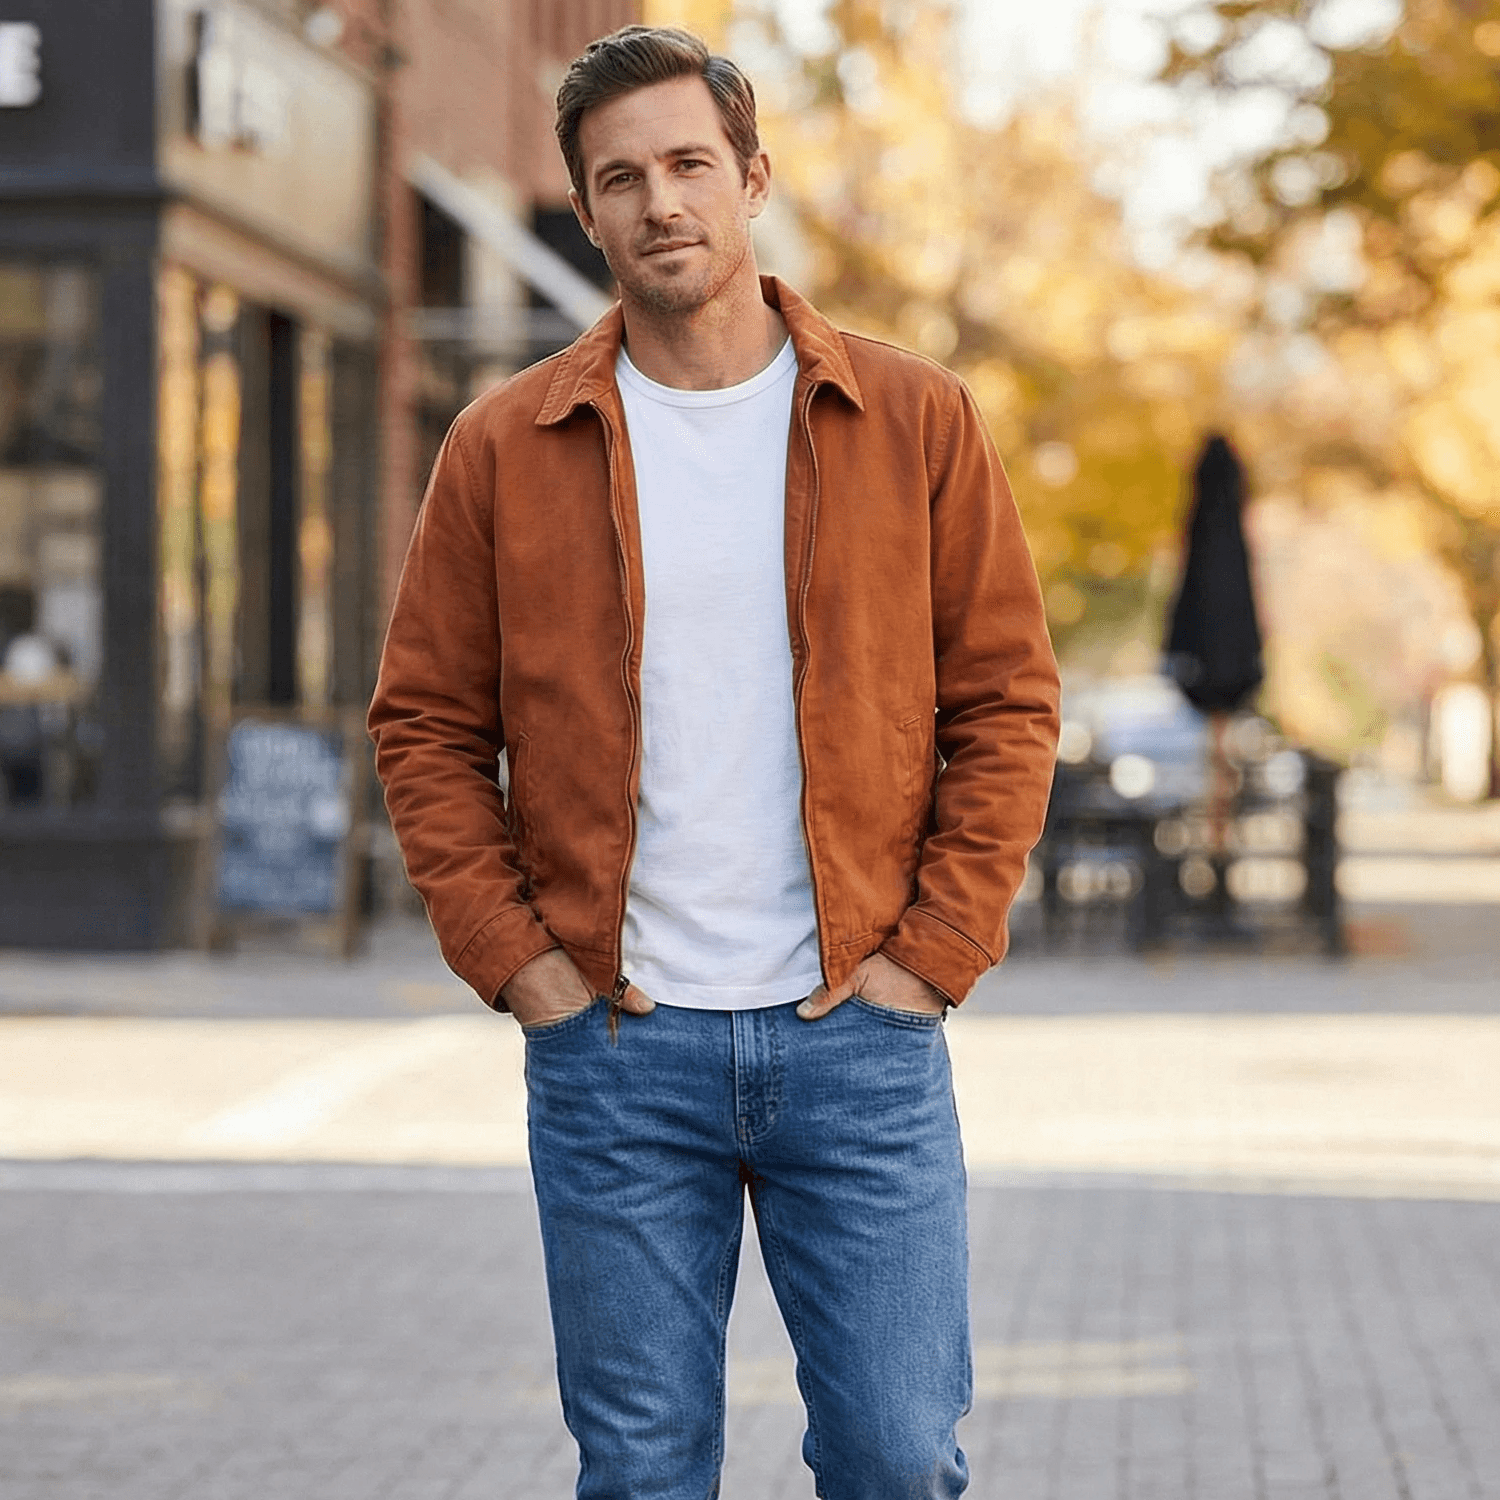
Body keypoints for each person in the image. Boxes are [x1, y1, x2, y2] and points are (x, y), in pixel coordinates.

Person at [368, 24, 1059, 1499]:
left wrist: (932, 956)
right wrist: (520, 962)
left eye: (689, 164)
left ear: (752, 179)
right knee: (640, 1473)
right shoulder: (504, 446)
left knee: (895, 1458)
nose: (660, 201)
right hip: (617, 1046)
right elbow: (425, 726)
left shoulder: (914, 420)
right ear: (585, 213)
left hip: (858, 1040)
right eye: (621, 179)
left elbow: (1005, 703)